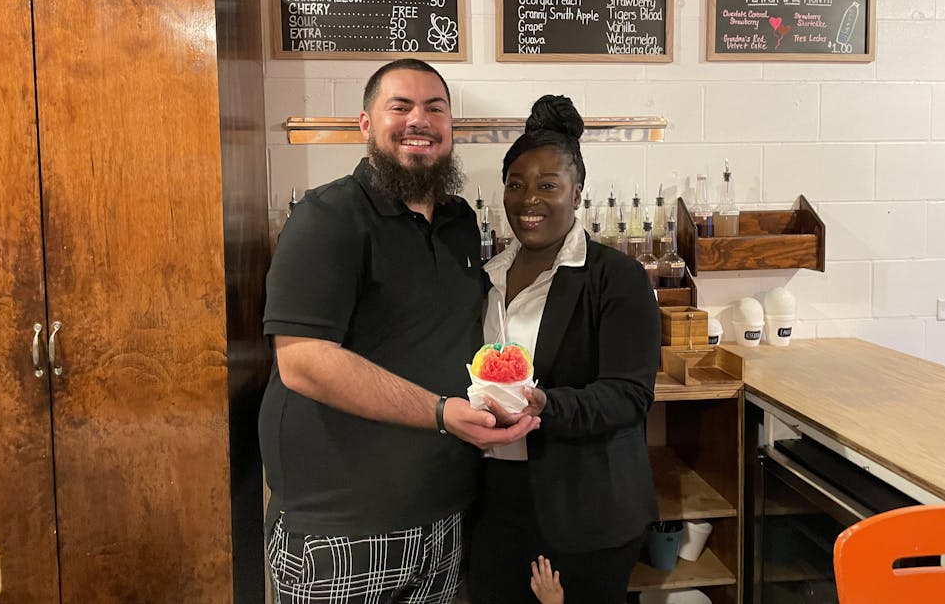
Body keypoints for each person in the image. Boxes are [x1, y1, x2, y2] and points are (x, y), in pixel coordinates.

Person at [259, 59, 539, 604]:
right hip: (342, 531)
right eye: (400, 106)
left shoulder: (459, 223)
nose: (420, 120)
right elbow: (303, 360)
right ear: (366, 124)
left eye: (435, 108)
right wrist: (439, 412)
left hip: (444, 516)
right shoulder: (327, 217)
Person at [466, 95, 661, 604]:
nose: (529, 198)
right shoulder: (482, 278)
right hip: (494, 499)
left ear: (577, 193)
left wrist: (549, 405)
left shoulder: (615, 278)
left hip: (585, 508)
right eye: (516, 184)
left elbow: (629, 394)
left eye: (548, 185)